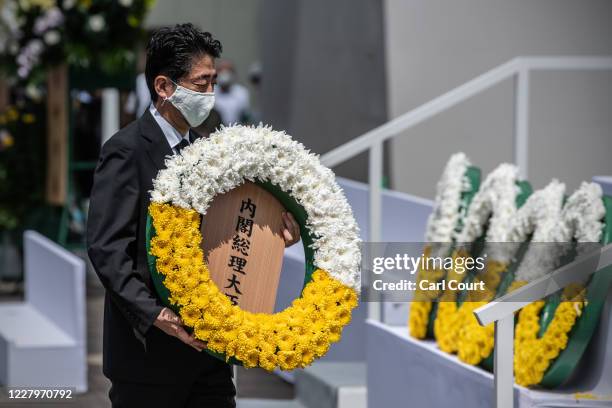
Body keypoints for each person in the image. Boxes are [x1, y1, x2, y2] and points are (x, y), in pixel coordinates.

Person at [86, 23, 301, 408]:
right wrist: (155, 315)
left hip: (210, 355)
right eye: (201, 84)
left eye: (214, 82)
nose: (211, 94)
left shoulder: (207, 151)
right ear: (165, 87)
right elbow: (107, 248)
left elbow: (228, 233)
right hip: (148, 356)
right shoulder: (127, 150)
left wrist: (272, 236)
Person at [213, 60, 250, 125]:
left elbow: (245, 117)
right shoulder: (210, 91)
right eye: (221, 70)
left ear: (234, 73)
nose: (224, 73)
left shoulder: (242, 92)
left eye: (228, 70)